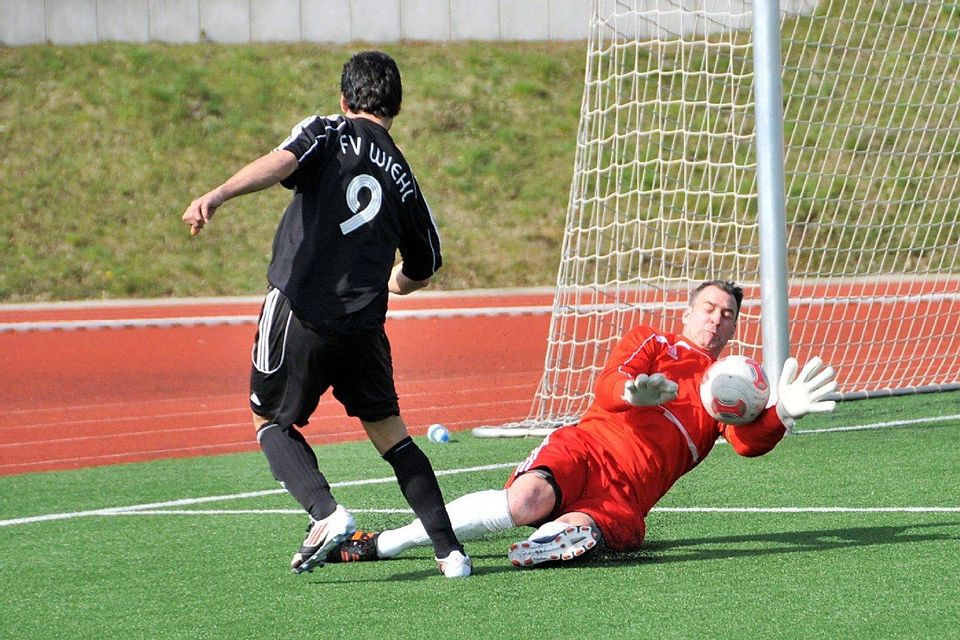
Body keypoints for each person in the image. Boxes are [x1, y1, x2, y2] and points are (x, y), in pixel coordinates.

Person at [181, 51, 470, 578]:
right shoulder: (405, 177)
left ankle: (327, 513)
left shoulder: (328, 131)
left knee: (268, 420)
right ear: (396, 107)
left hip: (302, 310)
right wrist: (394, 283)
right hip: (363, 328)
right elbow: (425, 264)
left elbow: (282, 161)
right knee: (392, 436)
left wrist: (218, 194)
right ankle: (451, 553)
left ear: (344, 99)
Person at [325, 280, 837, 568]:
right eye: (708, 308)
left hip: (625, 497)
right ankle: (387, 543)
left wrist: (780, 415)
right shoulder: (656, 343)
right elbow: (610, 382)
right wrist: (633, 392)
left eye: (727, 314)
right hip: (586, 448)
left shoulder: (731, 386)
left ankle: (549, 541)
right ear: (687, 312)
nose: (716, 319)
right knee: (526, 501)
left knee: (577, 533)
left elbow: (747, 443)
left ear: (735, 325)